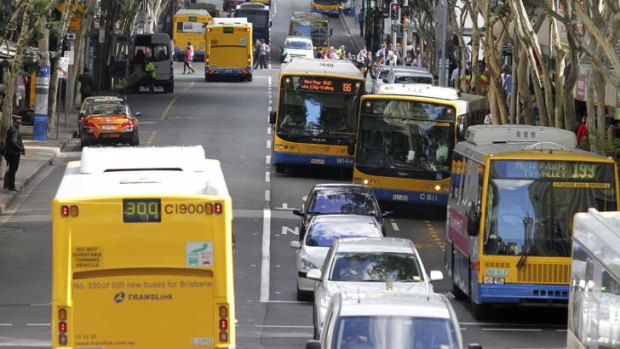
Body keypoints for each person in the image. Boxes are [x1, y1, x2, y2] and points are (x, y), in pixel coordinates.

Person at [4, 115, 25, 192]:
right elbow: (13, 141)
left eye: (20, 122)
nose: (19, 124)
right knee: (13, 170)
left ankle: (7, 184)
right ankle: (11, 186)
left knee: (9, 169)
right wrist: (20, 149)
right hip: (14, 153)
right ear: (14, 122)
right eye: (18, 122)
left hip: (9, 152)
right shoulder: (15, 130)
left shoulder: (11, 129)